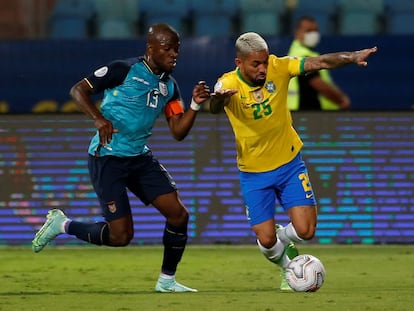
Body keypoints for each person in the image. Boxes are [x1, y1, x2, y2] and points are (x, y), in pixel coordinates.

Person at [32, 23, 211, 293]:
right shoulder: (122, 70)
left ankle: (167, 281)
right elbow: (78, 90)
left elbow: (178, 132)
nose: (174, 54)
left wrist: (196, 105)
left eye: (177, 49)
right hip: (108, 158)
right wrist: (98, 118)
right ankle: (62, 224)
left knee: (178, 215)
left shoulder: (169, 87)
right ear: (151, 49)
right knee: (121, 236)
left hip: (139, 158)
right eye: (167, 48)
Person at [209, 32, 377, 290]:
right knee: (265, 241)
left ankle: (282, 237)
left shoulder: (280, 67)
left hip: (289, 163)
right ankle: (291, 269)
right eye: (256, 64)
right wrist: (217, 100)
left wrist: (352, 57)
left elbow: (319, 62)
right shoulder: (227, 84)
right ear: (239, 62)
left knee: (306, 231)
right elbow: (215, 106)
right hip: (253, 173)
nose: (263, 68)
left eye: (264, 62)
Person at [287, 16, 351, 111]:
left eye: (315, 30)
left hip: (297, 110)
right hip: (305, 111)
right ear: (297, 33)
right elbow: (317, 83)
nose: (313, 34)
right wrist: (341, 99)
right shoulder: (302, 55)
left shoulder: (296, 52)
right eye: (308, 31)